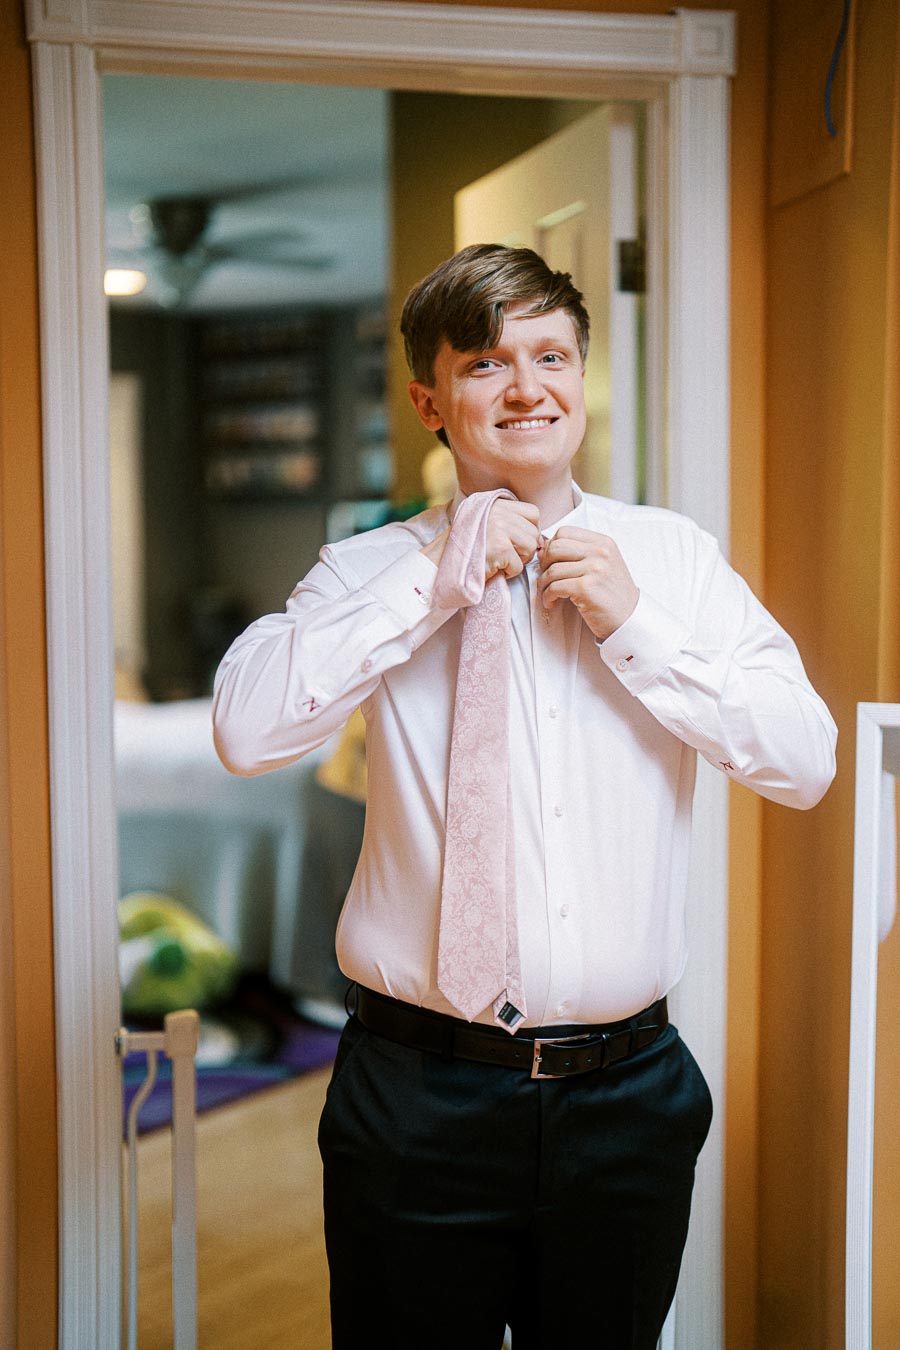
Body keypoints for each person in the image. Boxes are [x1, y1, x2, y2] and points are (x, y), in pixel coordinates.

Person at [213, 244, 837, 1349]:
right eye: (488, 363)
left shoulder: (674, 561)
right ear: (430, 399)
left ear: (582, 377)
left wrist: (639, 626)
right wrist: (432, 580)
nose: (527, 389)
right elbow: (248, 732)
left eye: (552, 357)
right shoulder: (364, 571)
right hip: (416, 1099)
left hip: (627, 1099)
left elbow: (803, 761)